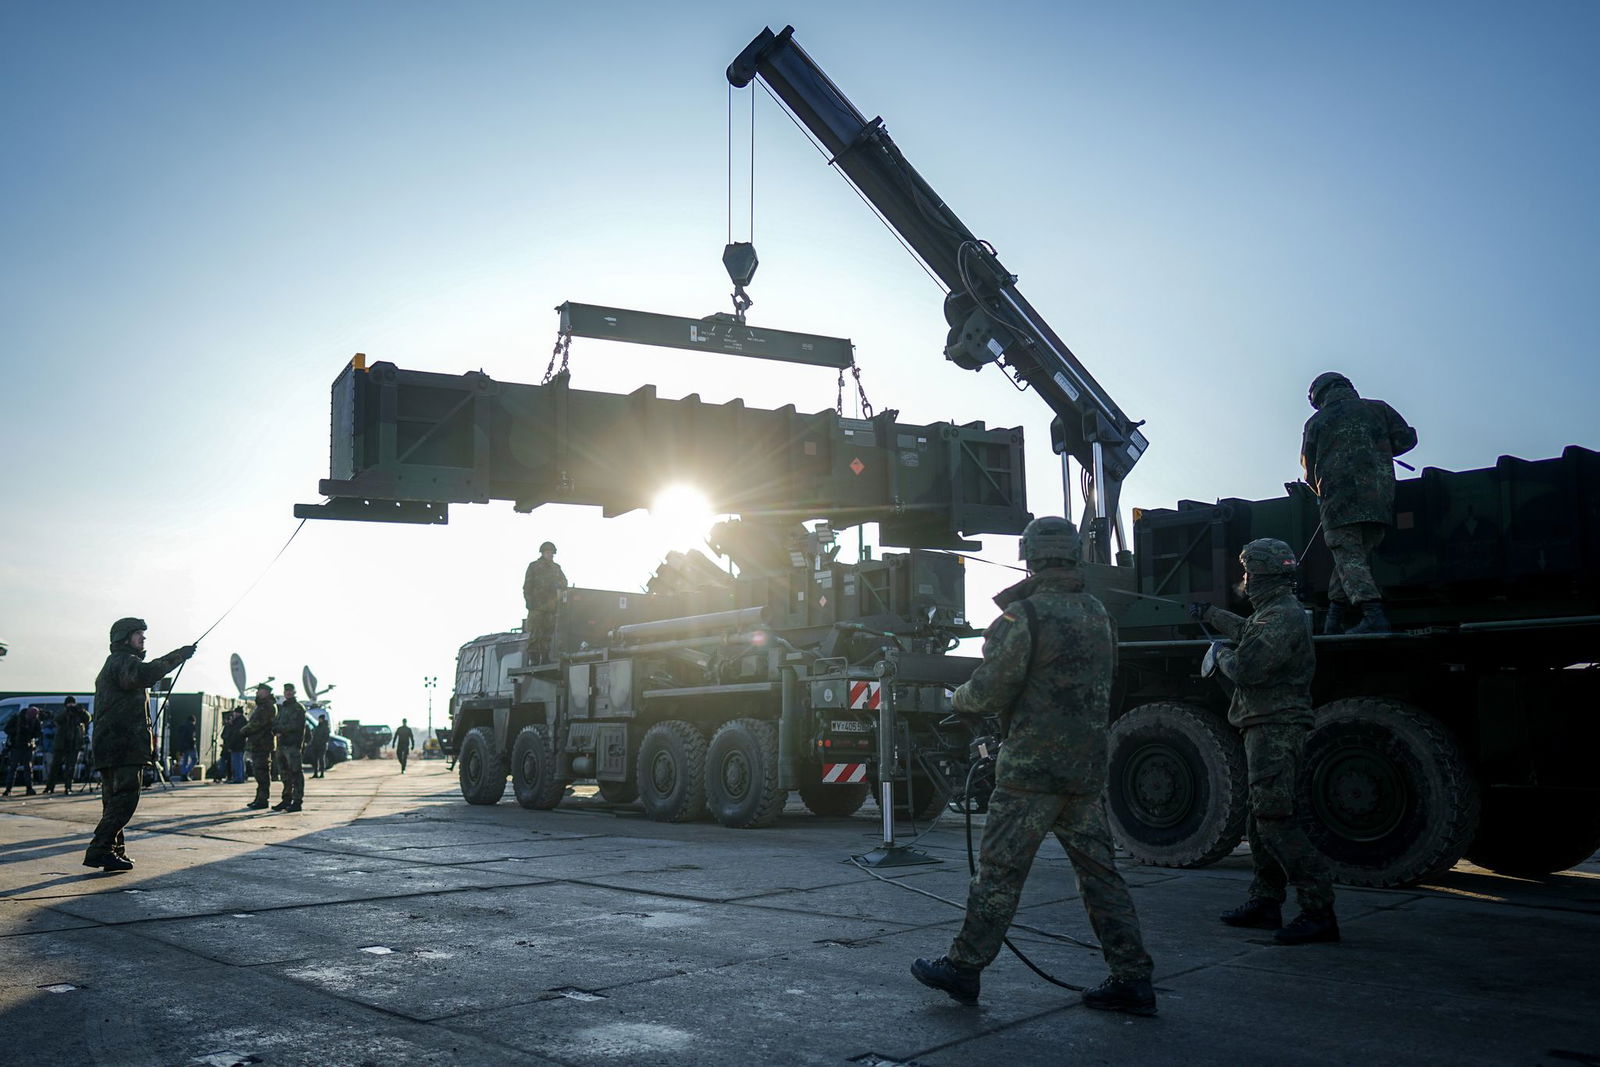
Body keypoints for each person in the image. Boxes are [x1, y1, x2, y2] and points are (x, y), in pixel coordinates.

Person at [912, 517, 1157, 1015]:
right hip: (1084, 770)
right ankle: (1132, 978)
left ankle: (963, 969)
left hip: (1030, 773)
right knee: (1100, 875)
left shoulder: (1023, 617)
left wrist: (956, 697)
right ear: (1071, 555)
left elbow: (986, 692)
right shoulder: (1097, 613)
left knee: (999, 874)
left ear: (1030, 556)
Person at [1191, 539, 1339, 944]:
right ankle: (1265, 900)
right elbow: (1249, 632)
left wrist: (1218, 655)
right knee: (1260, 823)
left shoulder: (1280, 617)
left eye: (1247, 573)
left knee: (1275, 821)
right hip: (1264, 725)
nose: (1244, 580)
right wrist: (1212, 615)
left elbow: (1248, 667)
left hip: (1275, 728)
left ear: (1259, 575)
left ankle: (1318, 909)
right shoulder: (1274, 613)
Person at [1300, 371, 1417, 635]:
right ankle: (1334, 618)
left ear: (1318, 396)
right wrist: (1375, 450)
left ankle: (1373, 615)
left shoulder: (1316, 422)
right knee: (1352, 560)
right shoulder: (1378, 409)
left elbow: (1308, 472)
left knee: (1349, 557)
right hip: (1379, 499)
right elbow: (1406, 440)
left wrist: (1323, 491)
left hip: (1339, 504)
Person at [83, 618, 195, 871]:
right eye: (138, 634)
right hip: (122, 745)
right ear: (124, 638)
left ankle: (113, 852)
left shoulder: (117, 662)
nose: (143, 639)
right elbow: (144, 675)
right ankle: (99, 849)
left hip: (113, 745)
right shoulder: (124, 662)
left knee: (113, 802)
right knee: (125, 800)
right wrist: (178, 656)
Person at [523, 540, 568, 664]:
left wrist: (558, 585)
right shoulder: (534, 567)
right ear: (542, 553)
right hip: (536, 606)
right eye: (547, 552)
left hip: (550, 607)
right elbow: (527, 586)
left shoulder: (556, 568)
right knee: (536, 633)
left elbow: (564, 583)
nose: (550, 555)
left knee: (547, 633)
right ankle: (534, 658)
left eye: (551, 553)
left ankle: (545, 656)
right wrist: (529, 601)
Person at [45, 697, 90, 794]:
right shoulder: (62, 712)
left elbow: (88, 718)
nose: (71, 706)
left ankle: (68, 786)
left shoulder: (78, 713)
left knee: (70, 767)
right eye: (69, 704)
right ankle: (49, 787)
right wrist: (67, 711)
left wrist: (81, 711)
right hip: (61, 743)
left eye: (72, 704)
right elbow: (57, 720)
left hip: (74, 744)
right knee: (55, 766)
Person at [272, 683, 306, 812]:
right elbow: (275, 723)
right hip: (282, 744)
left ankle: (297, 801)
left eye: (290, 691)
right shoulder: (283, 708)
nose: (288, 693)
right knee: (284, 774)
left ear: (294, 692)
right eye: (286, 691)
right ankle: (286, 799)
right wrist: (275, 730)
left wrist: (280, 729)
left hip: (292, 745)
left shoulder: (298, 708)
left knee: (296, 773)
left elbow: (295, 726)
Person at [242, 684, 276, 809]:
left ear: (266, 692)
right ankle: (259, 798)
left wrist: (243, 731)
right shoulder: (261, 706)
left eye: (260, 691)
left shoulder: (268, 707)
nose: (257, 693)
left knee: (262, 772)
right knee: (258, 772)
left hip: (263, 743)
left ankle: (263, 800)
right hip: (257, 743)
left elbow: (258, 723)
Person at [3, 705, 44, 796]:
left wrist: (30, 732)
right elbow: (7, 729)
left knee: (28, 769)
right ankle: (8, 789)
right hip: (16, 746)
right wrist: (18, 730)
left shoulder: (35, 721)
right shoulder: (17, 719)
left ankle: (29, 788)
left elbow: (38, 733)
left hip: (27, 746)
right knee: (13, 768)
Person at [221, 707, 247, 784]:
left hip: (236, 745)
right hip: (240, 744)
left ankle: (238, 778)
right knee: (240, 761)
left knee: (236, 762)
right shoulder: (242, 721)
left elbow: (235, 735)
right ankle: (240, 777)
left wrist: (230, 745)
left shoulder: (238, 722)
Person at [172, 713, 197, 781]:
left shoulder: (182, 726)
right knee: (194, 760)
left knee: (185, 761)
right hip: (190, 746)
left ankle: (183, 774)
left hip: (183, 747)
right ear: (193, 721)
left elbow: (180, 737)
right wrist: (193, 743)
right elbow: (191, 737)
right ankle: (185, 773)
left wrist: (181, 748)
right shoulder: (191, 726)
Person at [310, 710, 331, 779]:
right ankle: (315, 773)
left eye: (320, 719)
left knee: (321, 760)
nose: (319, 720)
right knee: (314, 760)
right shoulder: (318, 727)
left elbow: (326, 737)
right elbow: (314, 735)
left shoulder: (325, 727)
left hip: (322, 746)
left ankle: (322, 773)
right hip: (315, 745)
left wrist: (322, 742)